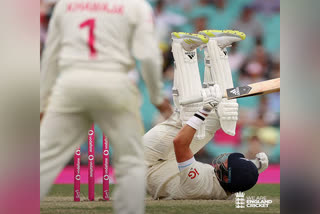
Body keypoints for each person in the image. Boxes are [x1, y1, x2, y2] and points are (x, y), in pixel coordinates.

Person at [40, 0, 172, 213]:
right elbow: (148, 56)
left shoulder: (66, 4)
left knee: (43, 156)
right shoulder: (137, 6)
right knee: (130, 161)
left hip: (71, 83)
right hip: (114, 82)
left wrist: (41, 103)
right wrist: (156, 97)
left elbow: (51, 56)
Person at [143, 31, 269, 200]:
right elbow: (241, 179)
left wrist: (204, 110)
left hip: (146, 164)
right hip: (171, 161)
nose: (223, 161)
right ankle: (216, 49)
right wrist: (255, 167)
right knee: (223, 114)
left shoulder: (197, 185)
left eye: (226, 164)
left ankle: (183, 49)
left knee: (190, 115)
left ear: (225, 177)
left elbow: (180, 143)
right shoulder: (230, 186)